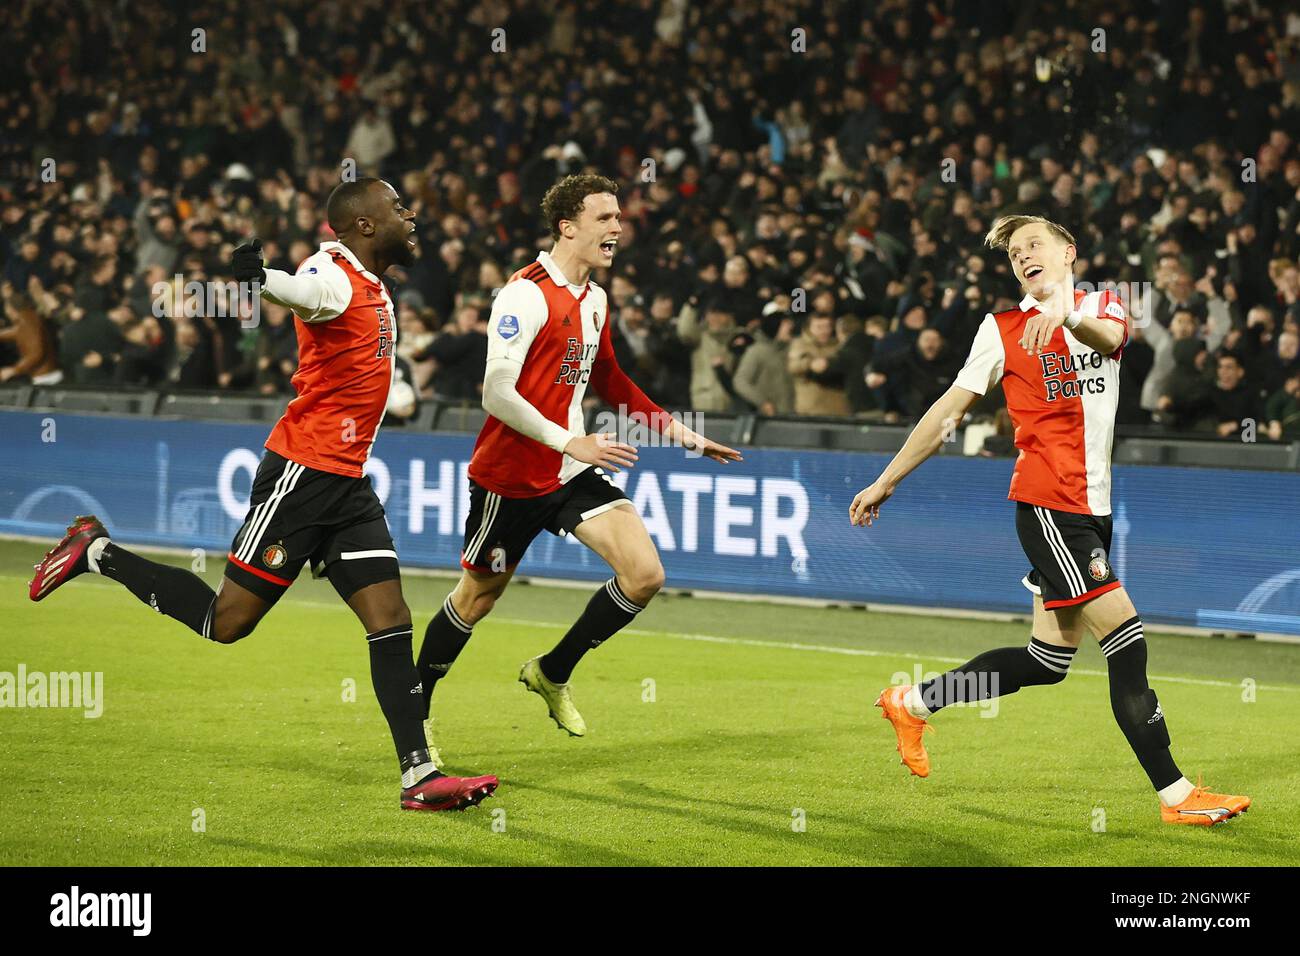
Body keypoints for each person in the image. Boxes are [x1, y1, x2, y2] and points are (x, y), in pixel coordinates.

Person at [28, 177, 498, 813]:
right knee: (228, 623)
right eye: (399, 210)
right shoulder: (330, 270)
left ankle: (418, 776)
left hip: (349, 484)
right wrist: (262, 277)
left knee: (391, 621)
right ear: (363, 225)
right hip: (301, 478)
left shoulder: (376, 285)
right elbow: (303, 293)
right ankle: (97, 552)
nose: (411, 218)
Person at [851, 215, 1249, 826]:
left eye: (1033, 245)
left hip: (1093, 509)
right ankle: (1176, 795)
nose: (1023, 257)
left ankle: (913, 702)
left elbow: (1112, 342)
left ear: (1068, 252)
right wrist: (886, 479)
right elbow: (943, 414)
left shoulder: (1102, 305)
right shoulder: (1000, 329)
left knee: (1046, 662)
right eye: (1013, 254)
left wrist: (1063, 316)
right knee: (1127, 640)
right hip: (1048, 505)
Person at [416, 174, 741, 756]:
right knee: (478, 598)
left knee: (644, 574)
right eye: (604, 218)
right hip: (510, 476)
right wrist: (569, 441)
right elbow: (495, 392)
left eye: (619, 218)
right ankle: (414, 715)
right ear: (568, 226)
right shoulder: (524, 293)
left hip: (567, 470)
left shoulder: (595, 299)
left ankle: (552, 670)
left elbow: (613, 380)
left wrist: (683, 434)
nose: (617, 228)